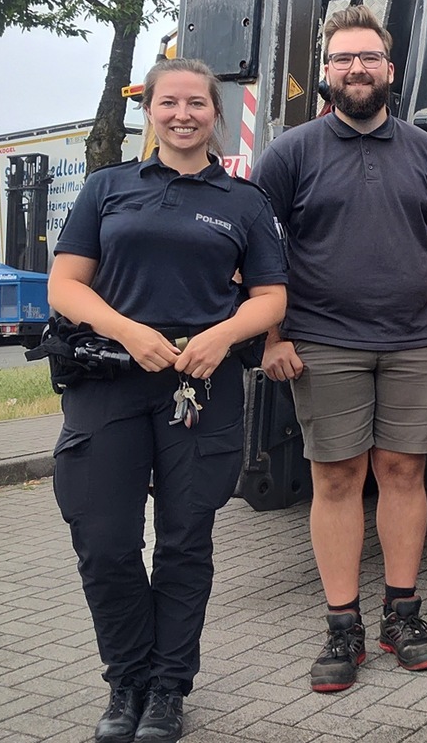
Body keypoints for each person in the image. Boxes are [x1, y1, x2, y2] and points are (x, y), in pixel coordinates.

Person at [48, 58, 288, 743]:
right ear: (149, 111)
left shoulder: (244, 201)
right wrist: (128, 330)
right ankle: (126, 679)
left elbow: (272, 297)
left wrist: (222, 336)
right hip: (111, 378)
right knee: (105, 540)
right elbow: (66, 286)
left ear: (216, 113)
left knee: (185, 542)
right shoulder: (109, 187)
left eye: (197, 104)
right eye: (168, 103)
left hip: (199, 384)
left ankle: (167, 689)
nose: (183, 114)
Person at [253, 4, 427, 690]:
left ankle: (401, 613)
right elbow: (256, 242)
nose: (356, 68)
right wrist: (271, 335)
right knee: (338, 478)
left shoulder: (425, 151)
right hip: (323, 340)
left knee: (404, 472)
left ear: (390, 69)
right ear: (325, 73)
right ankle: (341, 625)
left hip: (414, 339)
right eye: (343, 58)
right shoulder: (291, 152)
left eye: (368, 57)